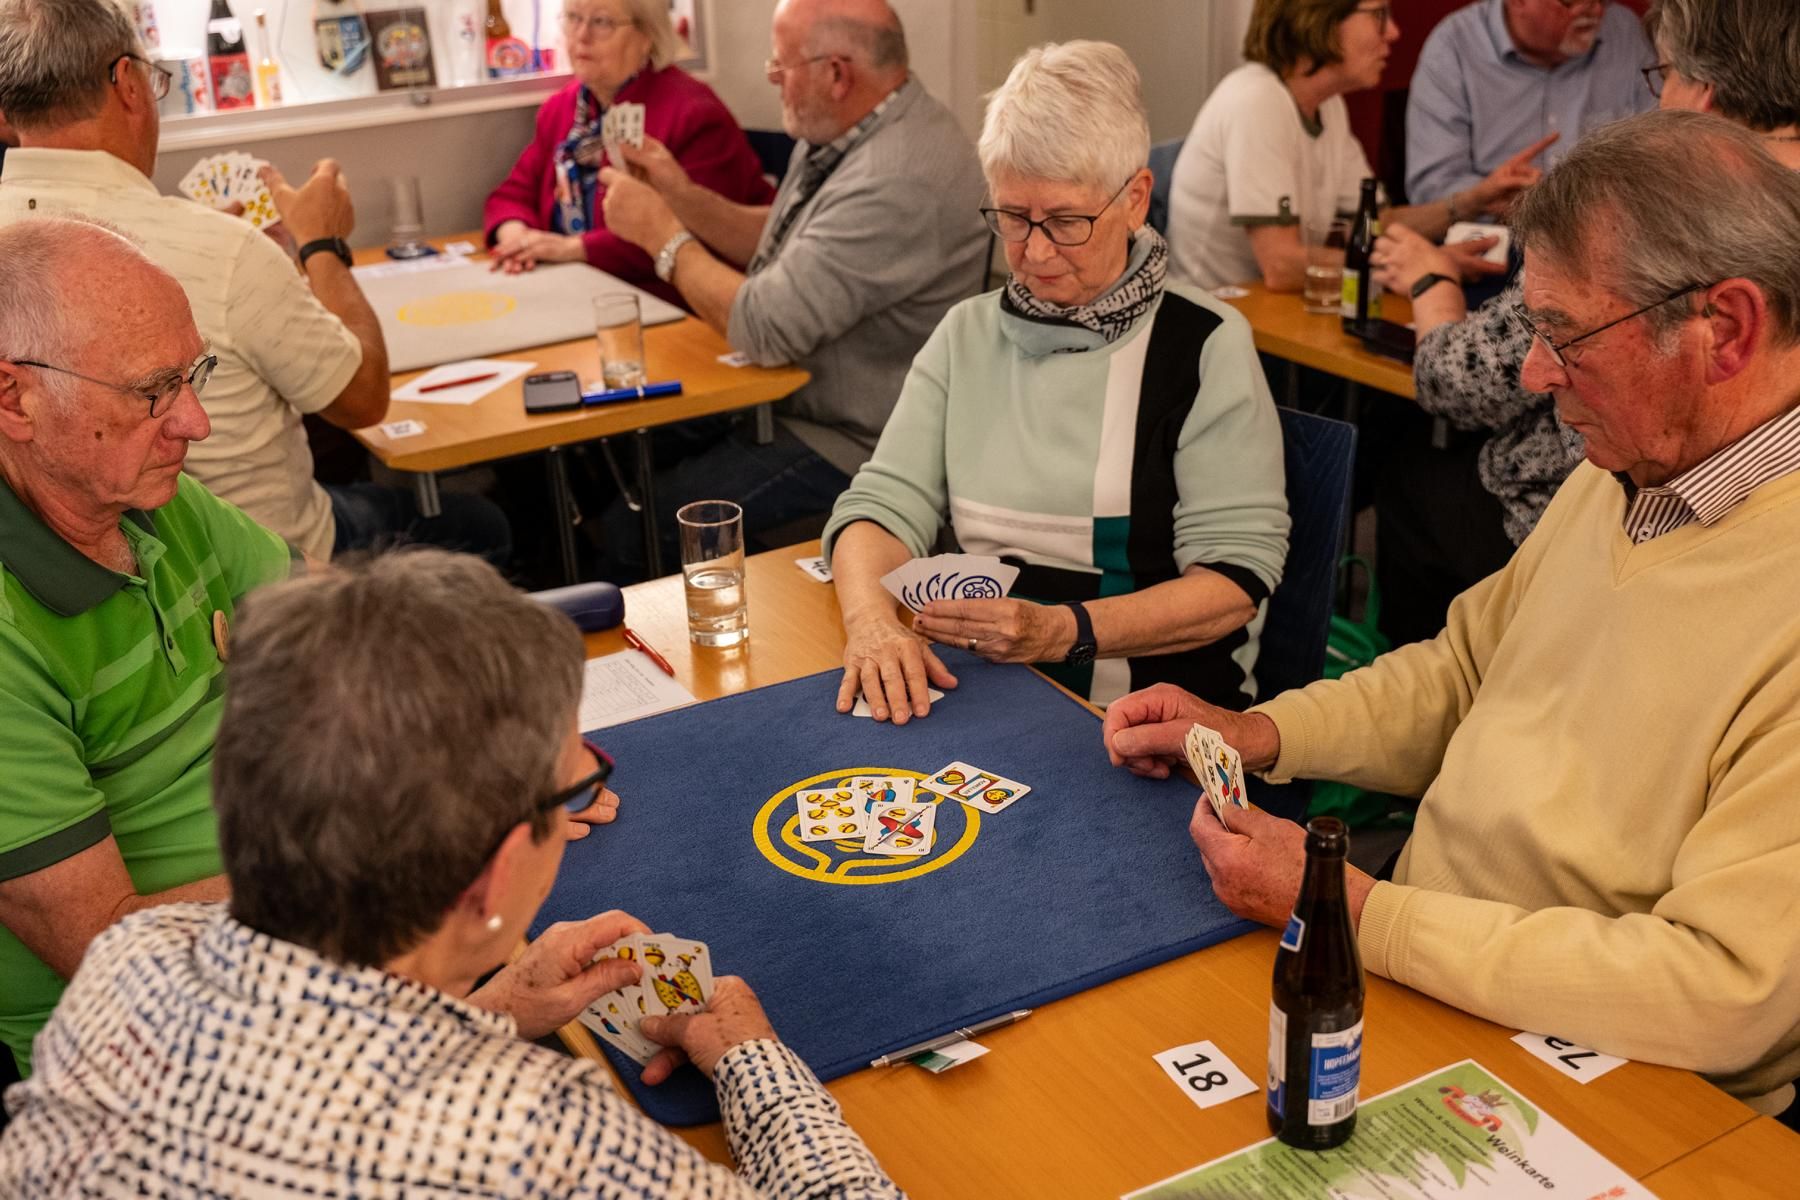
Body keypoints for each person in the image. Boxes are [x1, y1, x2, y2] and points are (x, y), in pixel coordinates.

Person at [1105, 111, 1800, 1123]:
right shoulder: (1633, 465)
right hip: (1425, 975)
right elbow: (1463, 672)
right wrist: (1259, 733)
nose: (1533, 373)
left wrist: (1360, 912)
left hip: (1613, 1086)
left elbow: (1720, 992)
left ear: (1725, 330)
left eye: (1566, 334)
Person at [0, 548, 902, 1197]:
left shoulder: (131, 960)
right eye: (574, 784)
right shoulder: (535, 1136)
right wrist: (751, 1063)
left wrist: (492, 1011)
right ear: (494, 874)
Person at [822, 42, 1288, 724]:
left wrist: (1058, 632)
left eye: (1067, 221)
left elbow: (1232, 584)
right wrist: (870, 622)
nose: (1035, 251)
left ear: (1135, 199)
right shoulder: (966, 334)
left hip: (1149, 711)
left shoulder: (1203, 345)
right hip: (990, 691)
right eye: (1014, 217)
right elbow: (881, 508)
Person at [0, 0, 511, 566]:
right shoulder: (225, 251)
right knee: (481, 522)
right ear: (128, 84)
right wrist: (321, 245)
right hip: (271, 562)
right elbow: (364, 400)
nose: (190, 420)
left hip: (59, 562)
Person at [1367, 0, 1800, 645]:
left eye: (1664, 76)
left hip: (1617, 530)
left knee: (1411, 478)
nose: (1655, 102)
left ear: (1702, 93)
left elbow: (1457, 381)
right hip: (1749, 557)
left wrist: (1431, 282)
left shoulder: (1653, 207)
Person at [593, 0, 987, 575]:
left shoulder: (897, 178)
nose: (773, 78)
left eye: (781, 65)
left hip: (858, 438)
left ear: (836, 74)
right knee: (617, 454)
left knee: (641, 527)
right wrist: (680, 195)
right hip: (790, 396)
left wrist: (662, 237)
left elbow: (764, 329)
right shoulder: (854, 124)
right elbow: (791, 244)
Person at [1166, 0, 1548, 293]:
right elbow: (1281, 266)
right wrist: (1422, 263)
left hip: (1273, 319)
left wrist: (1474, 200)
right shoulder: (1257, 99)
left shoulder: (1328, 105)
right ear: (1321, 19)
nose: (1393, 32)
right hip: (1216, 324)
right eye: (1378, 15)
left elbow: (1375, 223)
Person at [482, 0, 773, 307]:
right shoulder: (561, 109)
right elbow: (511, 195)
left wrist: (573, 249)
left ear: (646, 36)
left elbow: (692, 234)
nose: (581, 35)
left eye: (601, 22)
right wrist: (518, 241)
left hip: (669, 305)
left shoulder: (694, 114)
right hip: (576, 294)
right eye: (573, 18)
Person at [1406, 0, 1656, 208]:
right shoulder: (1455, 46)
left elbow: (1657, 152)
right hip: (1497, 233)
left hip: (1607, 230)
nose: (1595, 11)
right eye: (1571, 2)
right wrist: (1498, 197)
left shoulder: (1626, 33)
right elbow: (1433, 188)